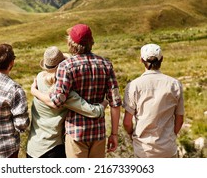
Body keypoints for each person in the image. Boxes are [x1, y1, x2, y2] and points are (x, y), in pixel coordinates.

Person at [33, 24, 121, 158]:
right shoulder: (106, 64)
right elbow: (115, 103)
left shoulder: (66, 66)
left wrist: (35, 92)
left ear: (70, 43)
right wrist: (114, 134)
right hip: (99, 133)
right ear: (91, 42)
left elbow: (56, 101)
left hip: (76, 133)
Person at [27, 46, 107, 158]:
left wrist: (33, 91)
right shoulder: (64, 92)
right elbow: (93, 112)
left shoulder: (39, 78)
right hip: (53, 148)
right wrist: (105, 102)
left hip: (33, 148)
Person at [123, 43, 184, 158]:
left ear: (141, 60)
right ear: (162, 59)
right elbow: (179, 120)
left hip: (143, 150)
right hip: (168, 149)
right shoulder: (175, 84)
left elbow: (127, 122)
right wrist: (170, 137)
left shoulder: (133, 86)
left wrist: (132, 135)